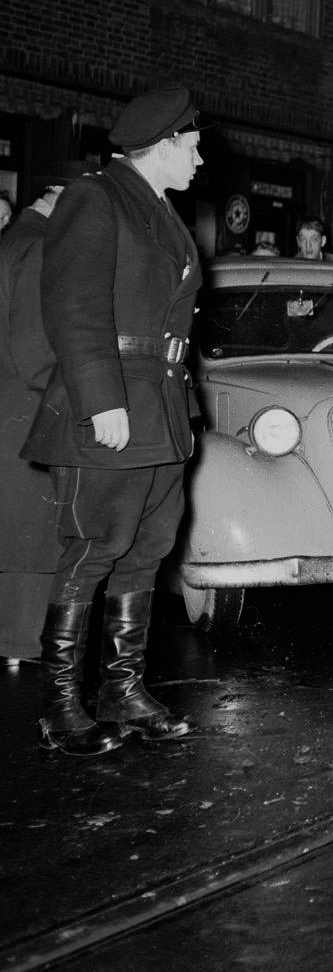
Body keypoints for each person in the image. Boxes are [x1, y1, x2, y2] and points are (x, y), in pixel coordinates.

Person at [21, 84, 203, 755]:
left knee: (148, 549)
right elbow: (74, 306)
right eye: (193, 146)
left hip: (160, 409)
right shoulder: (94, 198)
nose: (200, 159)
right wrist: (103, 401)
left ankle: (121, 690)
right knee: (94, 547)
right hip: (113, 408)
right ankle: (61, 705)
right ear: (162, 147)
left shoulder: (155, 206)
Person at [0, 164, 92, 666]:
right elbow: (37, 353)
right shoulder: (38, 248)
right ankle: (21, 647)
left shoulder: (14, 239)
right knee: (33, 537)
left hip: (7, 410)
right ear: (59, 196)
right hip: (29, 413)